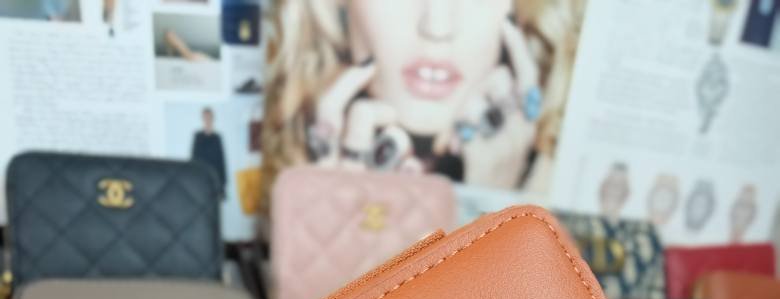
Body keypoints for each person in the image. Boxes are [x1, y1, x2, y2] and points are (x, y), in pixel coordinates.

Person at [263, 0, 584, 195]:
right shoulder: (278, 181)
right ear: (335, 5)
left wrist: (500, 210)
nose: (437, 27)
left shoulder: (570, 187)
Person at [191, 107, 228, 198]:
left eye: (209, 117)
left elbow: (221, 160)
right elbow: (194, 159)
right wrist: (193, 179)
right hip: (201, 179)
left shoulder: (217, 138)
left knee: (215, 204)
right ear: (202, 119)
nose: (207, 120)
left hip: (215, 179)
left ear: (213, 118)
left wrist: (223, 183)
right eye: (205, 117)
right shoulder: (198, 137)